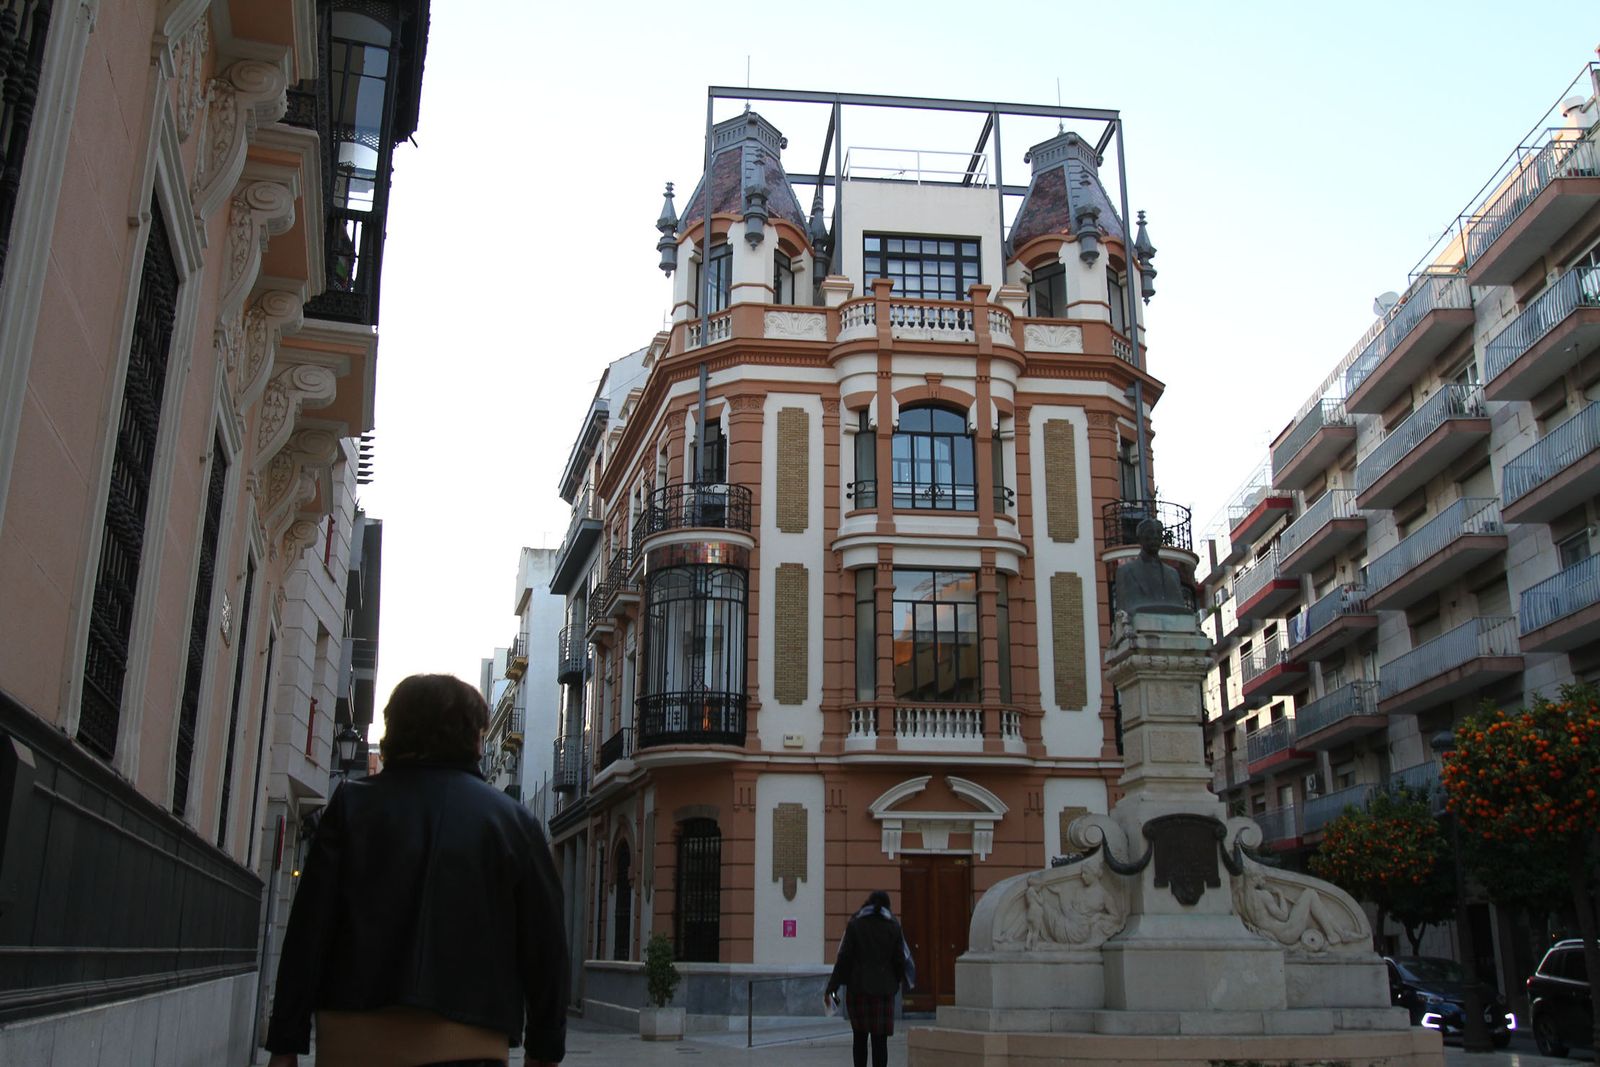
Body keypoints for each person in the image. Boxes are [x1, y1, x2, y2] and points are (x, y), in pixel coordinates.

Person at [264, 674, 568, 1067]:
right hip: (470, 1042)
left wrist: (285, 1042)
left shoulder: (352, 807)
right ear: (475, 738)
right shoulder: (513, 823)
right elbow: (546, 946)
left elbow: (309, 929)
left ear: (396, 732)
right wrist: (544, 1050)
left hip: (353, 1038)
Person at [825, 890, 912, 1067]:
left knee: (859, 1040)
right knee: (880, 1043)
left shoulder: (856, 924)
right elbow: (899, 959)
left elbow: (844, 958)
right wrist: (896, 982)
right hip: (884, 993)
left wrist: (832, 987)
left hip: (858, 991)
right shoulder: (893, 926)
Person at [1113, 517, 1191, 615]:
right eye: (1150, 533)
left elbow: (1179, 607)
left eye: (1158, 533)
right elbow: (1124, 610)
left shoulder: (1172, 574)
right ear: (1139, 538)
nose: (1155, 537)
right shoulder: (1125, 572)